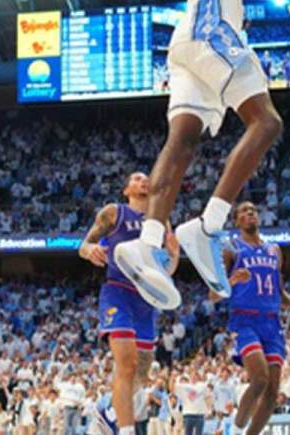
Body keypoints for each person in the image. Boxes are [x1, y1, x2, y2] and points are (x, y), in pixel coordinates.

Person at [114, 0, 283, 310]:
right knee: (267, 122)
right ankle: (206, 226)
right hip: (212, 33)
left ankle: (145, 245)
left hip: (192, 46)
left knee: (182, 142)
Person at [80, 173, 179, 435]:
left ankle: (106, 409)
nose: (143, 181)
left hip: (146, 297)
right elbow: (84, 243)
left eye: (146, 178)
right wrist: (90, 250)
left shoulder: (161, 220)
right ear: (127, 189)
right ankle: (126, 430)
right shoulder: (114, 213)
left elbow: (167, 269)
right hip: (118, 292)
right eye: (136, 179)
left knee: (142, 372)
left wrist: (175, 254)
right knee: (127, 363)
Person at [215, 202, 290, 435]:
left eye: (253, 211)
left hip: (271, 322)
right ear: (237, 221)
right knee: (259, 379)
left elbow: (279, 292)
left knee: (272, 391)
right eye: (244, 212)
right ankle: (235, 432)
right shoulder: (230, 249)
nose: (250, 214)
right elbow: (213, 294)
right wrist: (233, 280)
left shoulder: (274, 250)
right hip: (244, 320)